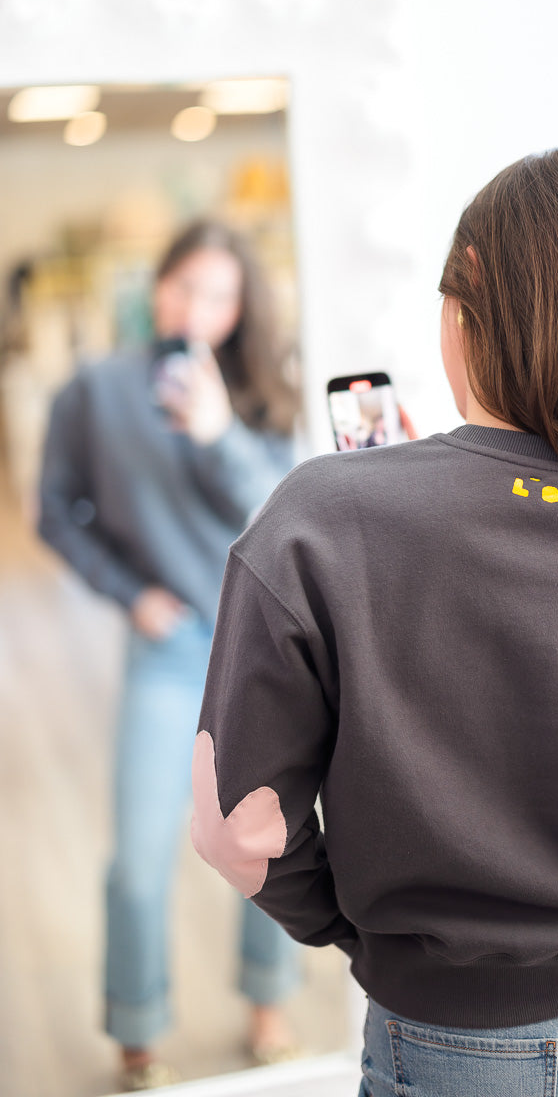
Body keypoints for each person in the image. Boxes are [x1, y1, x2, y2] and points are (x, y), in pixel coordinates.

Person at [191, 150, 558, 1096]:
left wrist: (358, 931)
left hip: (465, 1045)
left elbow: (238, 827)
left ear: (467, 290)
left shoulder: (327, 517)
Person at [38, 220, 303, 1092]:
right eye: (183, 286)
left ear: (239, 309)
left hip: (260, 645)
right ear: (157, 286)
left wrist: (218, 430)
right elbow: (55, 511)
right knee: (140, 854)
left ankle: (270, 1006)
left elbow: (278, 513)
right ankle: (137, 1034)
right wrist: (129, 594)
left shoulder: (257, 391)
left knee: (267, 839)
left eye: (219, 295)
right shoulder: (95, 392)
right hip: (169, 647)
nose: (196, 308)